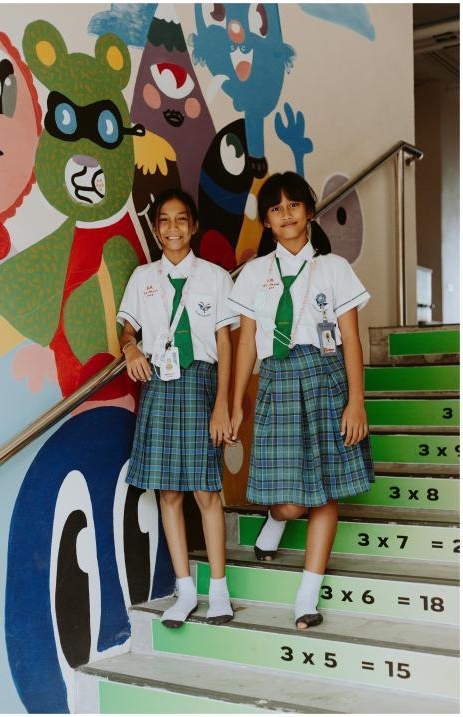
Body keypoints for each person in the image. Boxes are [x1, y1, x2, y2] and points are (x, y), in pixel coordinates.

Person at [228, 172, 374, 630]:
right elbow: (247, 343)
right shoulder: (254, 273)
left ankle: (307, 596)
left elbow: (350, 339)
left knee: (326, 490)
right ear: (267, 222)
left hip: (327, 380)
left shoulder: (334, 269)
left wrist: (356, 401)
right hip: (278, 381)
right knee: (291, 501)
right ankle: (277, 517)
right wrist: (235, 402)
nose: (286, 213)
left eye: (294, 205)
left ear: (309, 211)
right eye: (276, 208)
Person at [117, 188, 238, 628]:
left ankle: (219, 590)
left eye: (181, 219)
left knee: (206, 490)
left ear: (194, 225)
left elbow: (225, 344)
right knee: (168, 492)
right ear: (154, 228)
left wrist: (223, 404)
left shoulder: (216, 278)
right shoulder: (142, 278)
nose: (172, 228)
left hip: (202, 383)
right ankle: (185, 591)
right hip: (160, 386)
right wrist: (130, 348)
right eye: (164, 220)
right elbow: (126, 329)